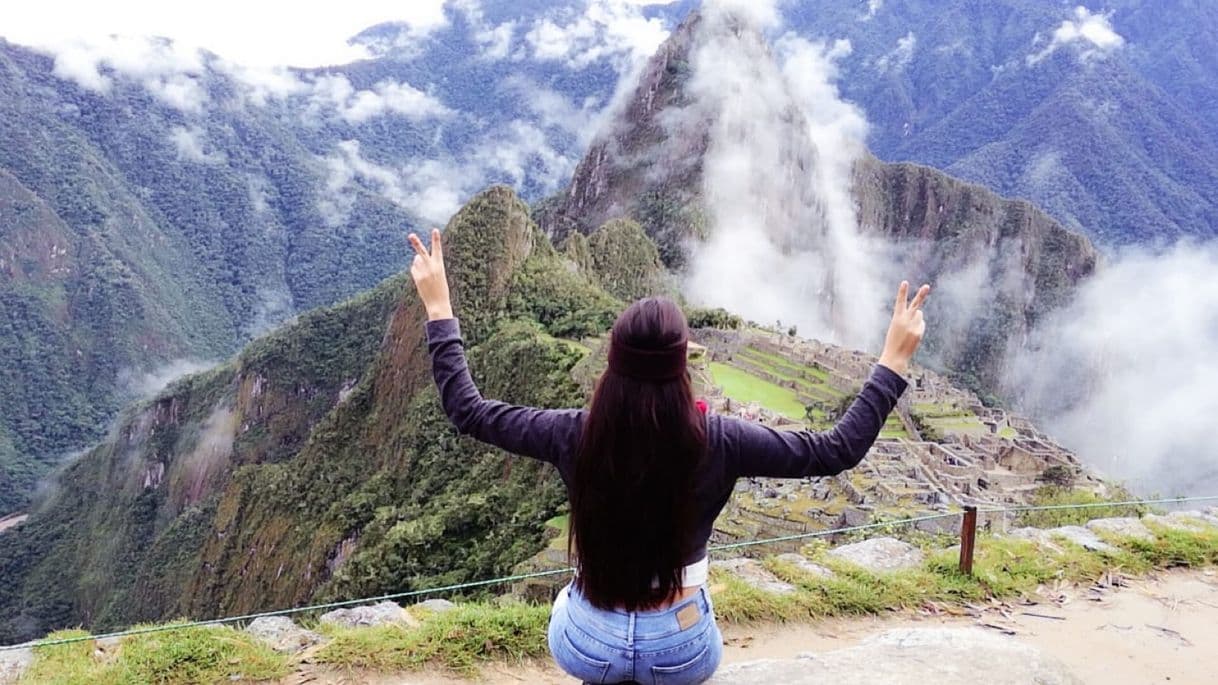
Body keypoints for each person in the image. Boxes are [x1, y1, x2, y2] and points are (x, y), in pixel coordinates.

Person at [408, 229, 929, 685]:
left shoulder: (575, 434)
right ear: (685, 369)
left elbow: (469, 411)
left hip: (587, 643)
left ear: (610, 368)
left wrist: (438, 308)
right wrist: (891, 362)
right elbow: (834, 450)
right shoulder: (720, 439)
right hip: (680, 650)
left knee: (579, 620)